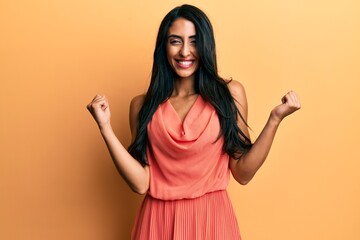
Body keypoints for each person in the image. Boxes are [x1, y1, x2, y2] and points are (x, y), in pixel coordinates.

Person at [87, 4, 301, 240]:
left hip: (213, 221)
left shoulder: (229, 94)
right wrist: (105, 127)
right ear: (163, 47)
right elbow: (141, 184)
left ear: (206, 46)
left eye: (194, 41)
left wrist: (274, 119)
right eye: (175, 41)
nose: (185, 51)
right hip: (157, 223)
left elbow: (243, 173)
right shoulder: (141, 106)